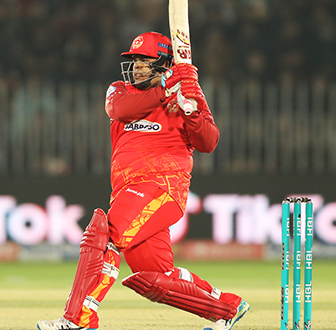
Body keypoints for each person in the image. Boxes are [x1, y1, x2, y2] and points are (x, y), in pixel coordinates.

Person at [37, 31, 249, 330]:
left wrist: (190, 109)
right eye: (134, 60)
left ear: (163, 63)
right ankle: (227, 308)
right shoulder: (120, 90)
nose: (136, 66)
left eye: (144, 61)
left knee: (103, 234)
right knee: (154, 279)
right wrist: (167, 87)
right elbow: (120, 110)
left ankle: (78, 319)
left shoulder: (187, 93)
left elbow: (209, 142)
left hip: (162, 186)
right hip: (127, 191)